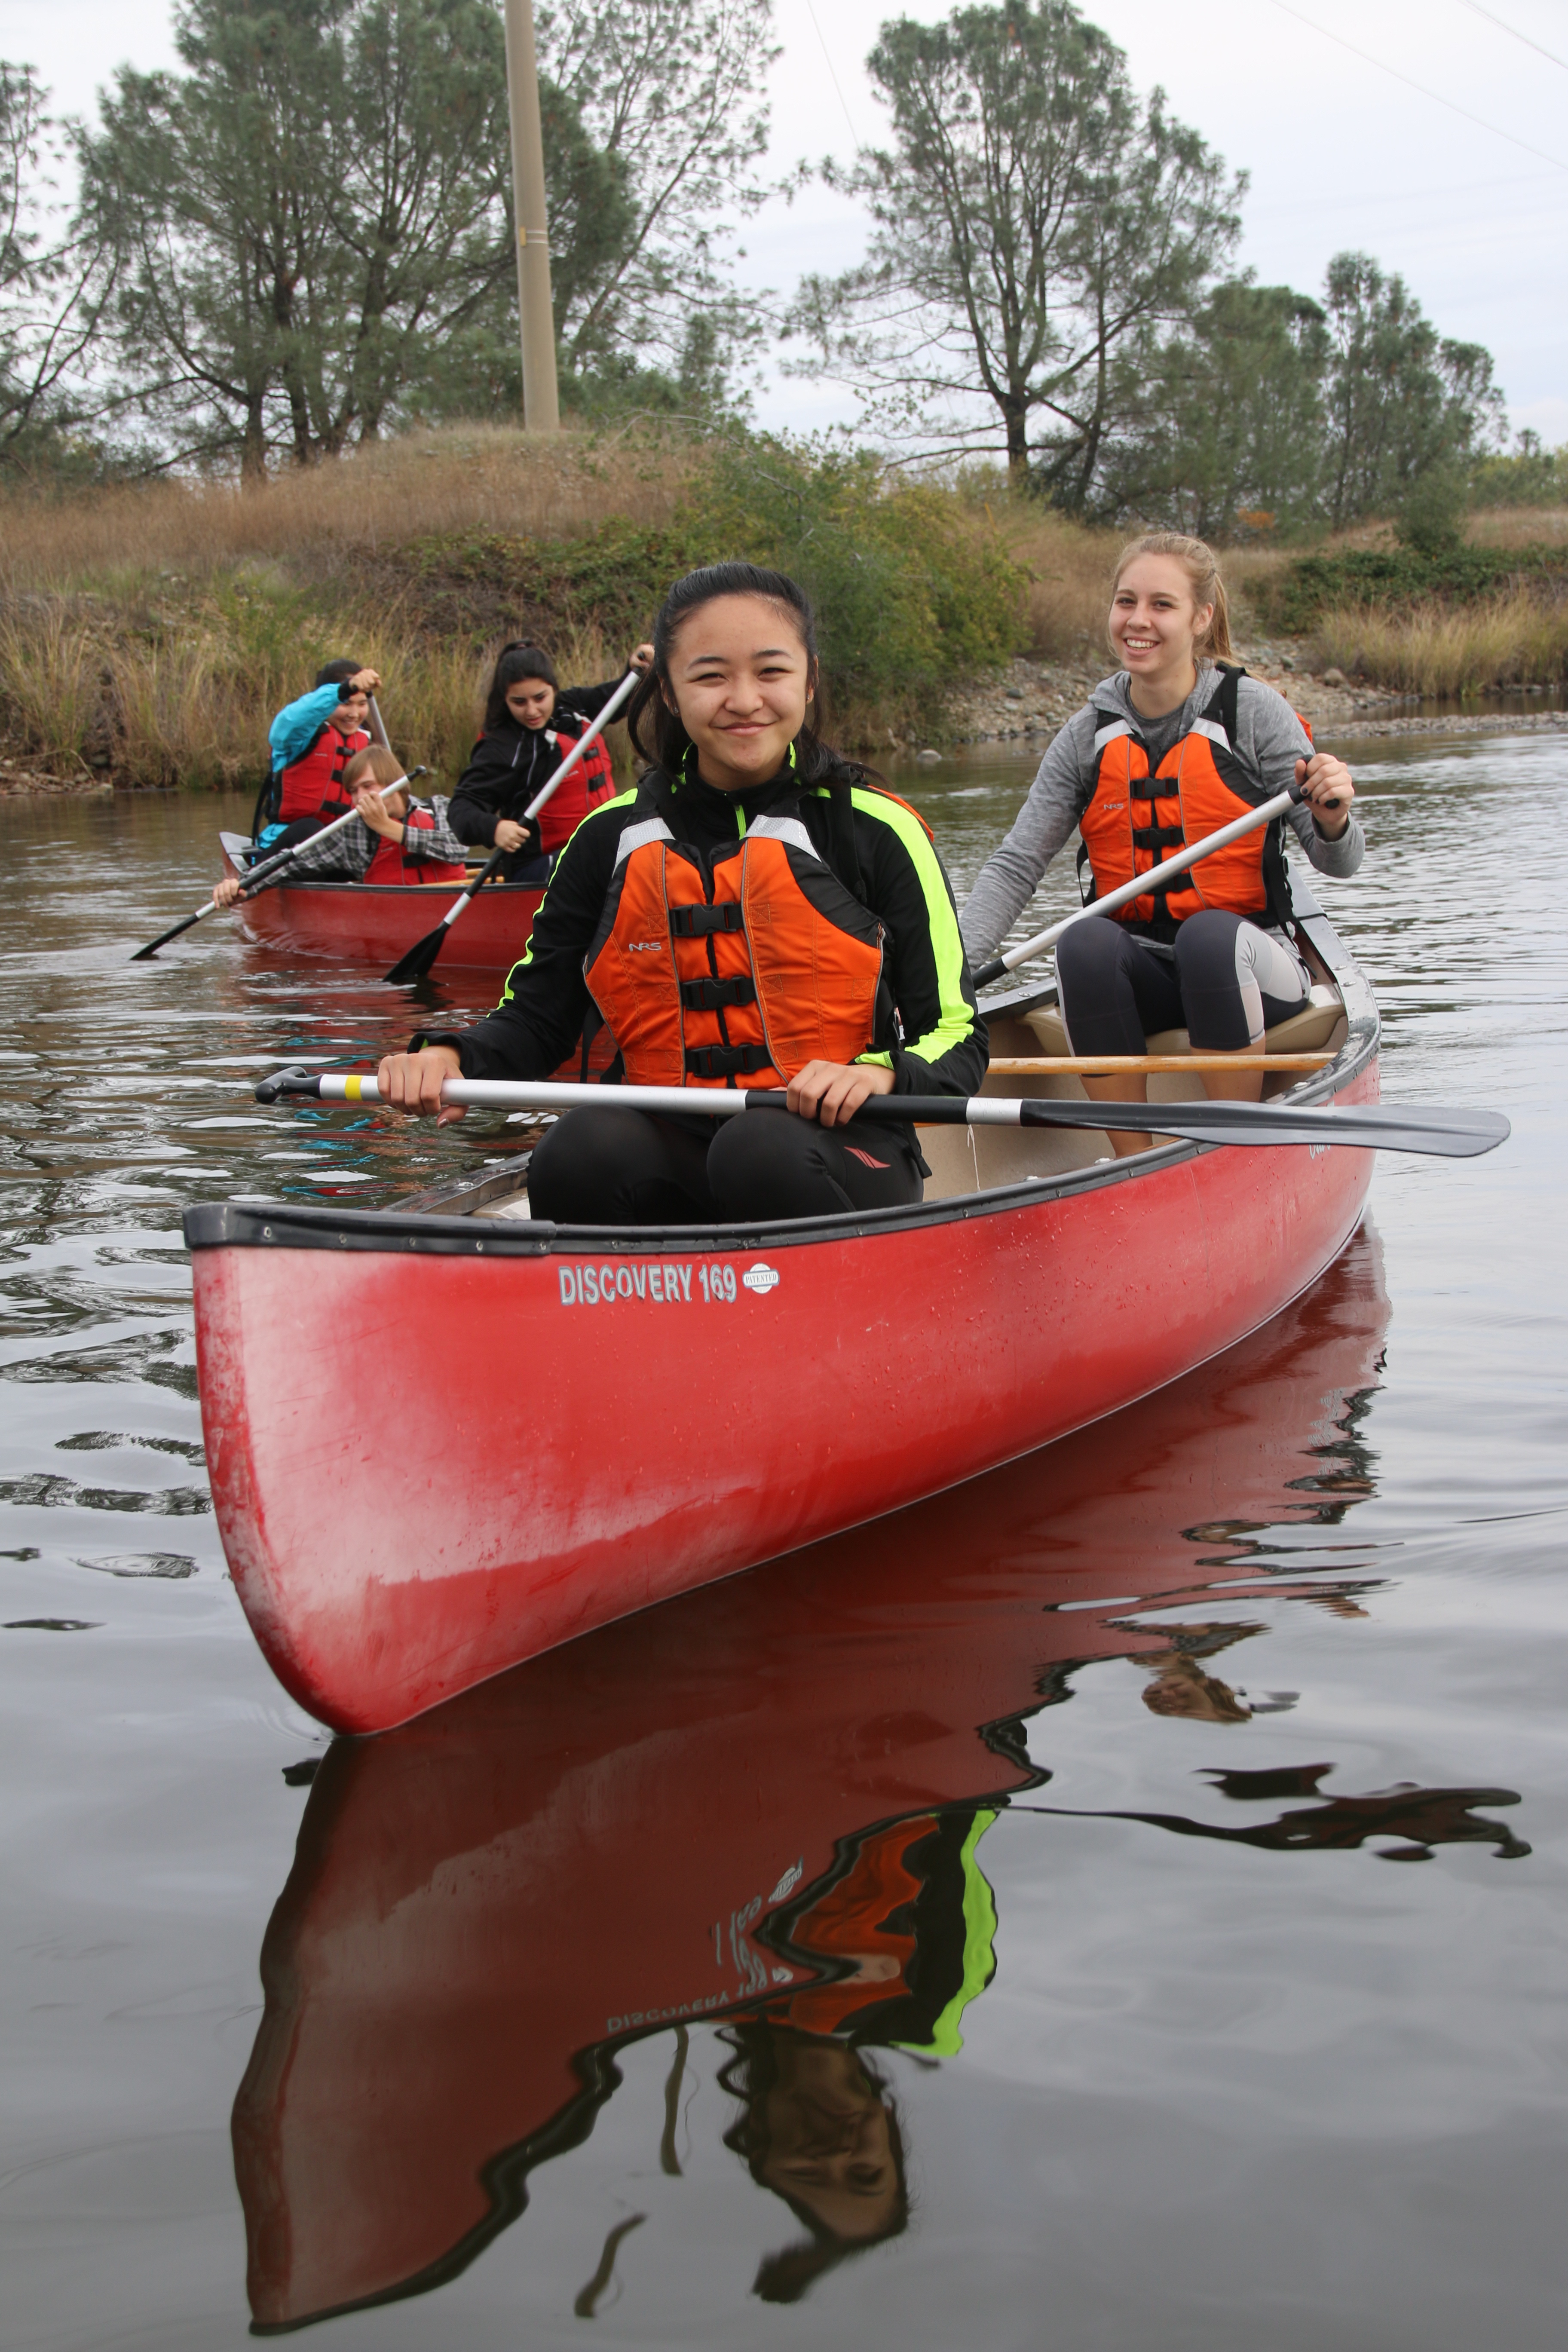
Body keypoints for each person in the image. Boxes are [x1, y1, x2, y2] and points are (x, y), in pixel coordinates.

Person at [377, 564, 986, 1226]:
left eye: (771, 672)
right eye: (711, 676)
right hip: (674, 1149)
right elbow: (538, 1018)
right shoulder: (606, 838)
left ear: (810, 681)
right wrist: (451, 1056)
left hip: (838, 1149)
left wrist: (880, 1074)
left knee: (760, 1148)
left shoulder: (877, 829)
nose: (745, 699)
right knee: (575, 1152)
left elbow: (956, 1037)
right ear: (668, 692)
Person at [960, 531, 1364, 1155]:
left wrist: (1334, 814)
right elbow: (1017, 864)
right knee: (1084, 943)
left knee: (1208, 938)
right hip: (1142, 973)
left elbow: (1338, 861)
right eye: (1126, 602)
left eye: (1161, 605)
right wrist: (946, 974)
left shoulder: (1252, 713)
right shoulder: (1086, 735)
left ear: (1201, 619)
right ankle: (1135, 1166)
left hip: (1256, 969)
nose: (1138, 621)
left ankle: (1236, 1149)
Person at [448, 639, 654, 885]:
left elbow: (618, 698)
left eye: (540, 698)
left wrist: (637, 670)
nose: (532, 711)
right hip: (539, 868)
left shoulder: (571, 707)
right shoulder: (503, 748)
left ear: (553, 689)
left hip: (595, 850)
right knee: (605, 860)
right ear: (505, 699)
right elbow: (461, 808)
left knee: (640, 849)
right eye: (519, 702)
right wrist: (495, 828)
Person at [212, 747, 466, 906]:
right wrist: (243, 886)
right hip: (393, 916)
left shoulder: (439, 807)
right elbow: (292, 863)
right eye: (353, 791)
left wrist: (388, 828)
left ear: (395, 784)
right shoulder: (353, 833)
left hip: (454, 901)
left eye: (368, 786)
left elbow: (456, 850)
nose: (358, 798)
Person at [252, 660, 383, 852]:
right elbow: (288, 722)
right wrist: (344, 690)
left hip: (342, 847)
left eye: (362, 704)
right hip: (288, 845)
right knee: (309, 829)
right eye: (346, 704)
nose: (354, 714)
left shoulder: (368, 744)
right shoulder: (295, 737)